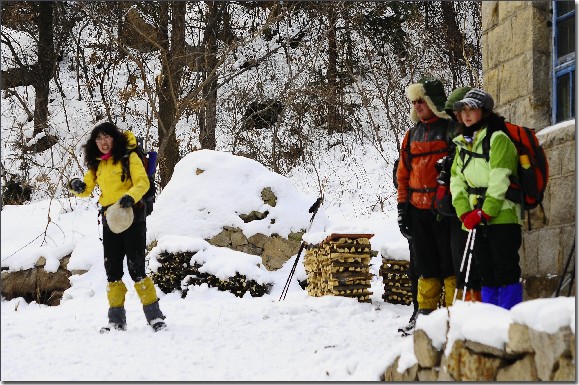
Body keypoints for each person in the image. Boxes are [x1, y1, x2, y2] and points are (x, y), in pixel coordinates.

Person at [68, 122, 167, 332]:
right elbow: (86, 188)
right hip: (110, 219)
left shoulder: (128, 157)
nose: (103, 142)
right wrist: (76, 185)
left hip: (133, 216)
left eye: (107, 137)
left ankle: (155, 317)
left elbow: (143, 182)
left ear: (114, 138)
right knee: (112, 270)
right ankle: (116, 320)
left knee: (136, 269)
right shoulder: (97, 164)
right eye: (99, 139)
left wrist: (129, 197)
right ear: (95, 143)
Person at [449, 88, 523, 310]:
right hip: (474, 219)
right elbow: (456, 181)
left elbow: (500, 177)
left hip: (502, 217)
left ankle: (509, 320)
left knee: (505, 270)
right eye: (463, 110)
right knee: (485, 273)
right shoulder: (462, 144)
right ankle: (491, 322)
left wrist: (486, 211)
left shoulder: (498, 139)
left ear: (485, 111)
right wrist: (464, 213)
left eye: (472, 109)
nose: (466, 114)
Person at [396, 77, 456, 326]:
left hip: (445, 209)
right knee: (425, 265)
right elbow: (403, 174)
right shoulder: (411, 135)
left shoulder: (451, 129)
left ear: (433, 101)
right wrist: (402, 208)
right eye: (415, 101)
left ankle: (455, 317)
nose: (417, 105)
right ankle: (426, 317)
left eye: (422, 100)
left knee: (449, 264)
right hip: (418, 210)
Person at [442, 86, 482, 302]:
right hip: (460, 211)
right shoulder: (456, 136)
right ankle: (465, 312)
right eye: (456, 113)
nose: (459, 117)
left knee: (475, 266)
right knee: (462, 264)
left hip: (480, 210)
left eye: (463, 112)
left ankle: (479, 311)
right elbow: (456, 178)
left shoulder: (484, 137)